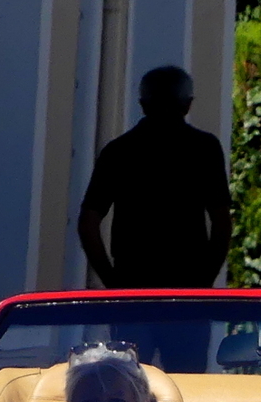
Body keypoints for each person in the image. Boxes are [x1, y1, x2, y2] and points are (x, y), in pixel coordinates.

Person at [75, 66, 231, 289]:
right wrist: (204, 281)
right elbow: (222, 222)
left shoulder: (119, 151)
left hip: (133, 278)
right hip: (187, 279)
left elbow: (88, 222)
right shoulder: (204, 149)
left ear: (143, 104)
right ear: (187, 104)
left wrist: (112, 281)